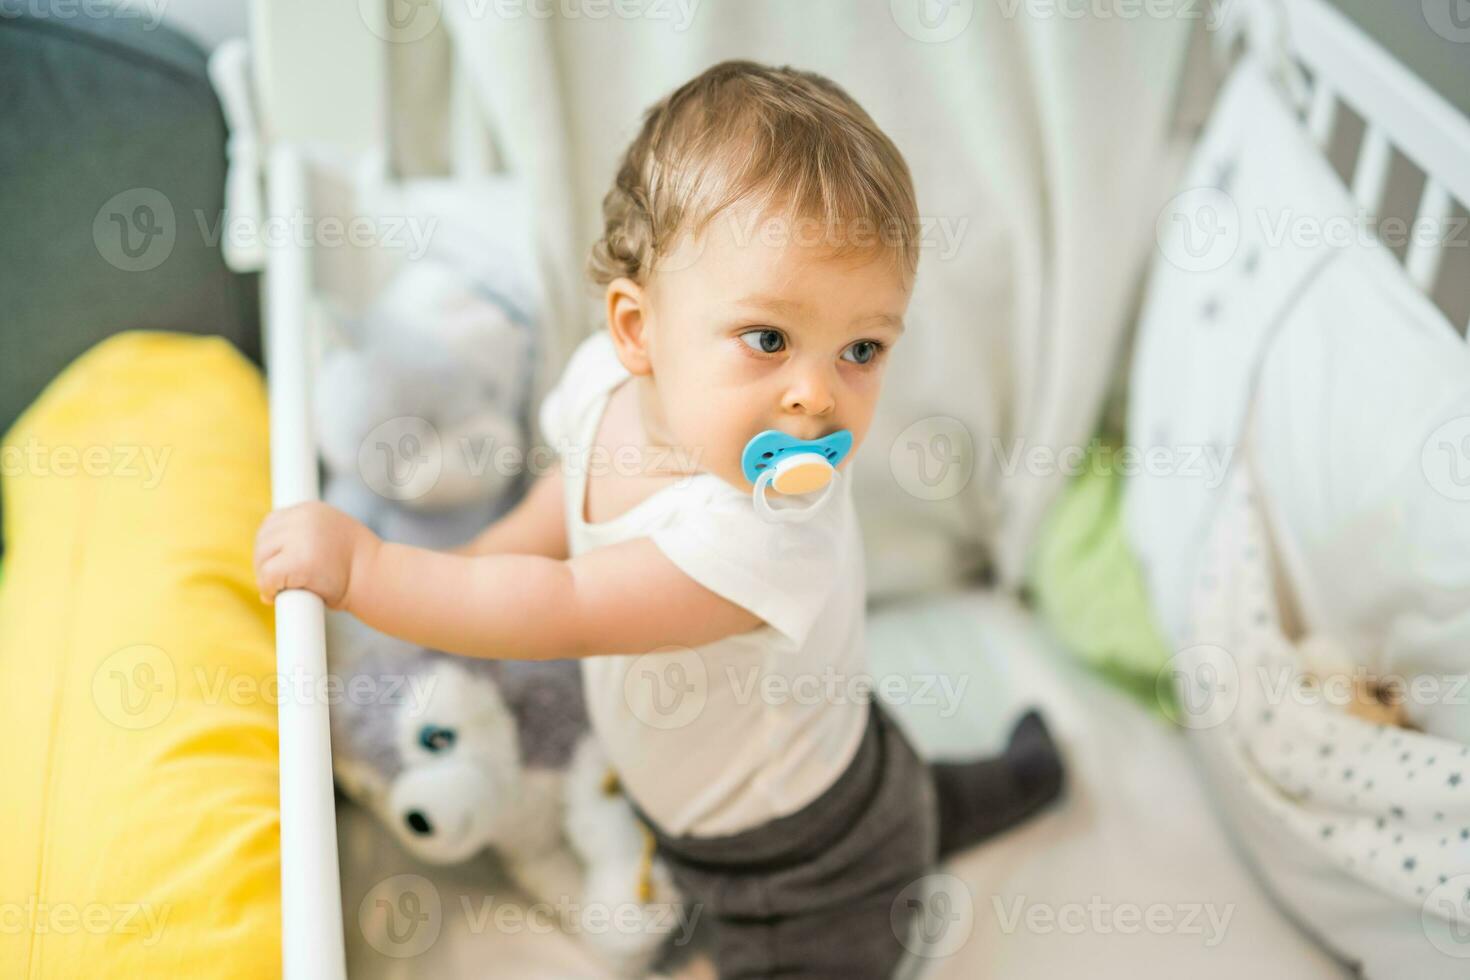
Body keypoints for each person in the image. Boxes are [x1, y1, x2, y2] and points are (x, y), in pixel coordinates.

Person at [255, 60, 1063, 979]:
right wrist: (481, 554)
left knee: (869, 882)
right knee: (905, 802)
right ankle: (967, 797)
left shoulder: (763, 538)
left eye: (862, 349)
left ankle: (983, 806)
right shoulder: (603, 382)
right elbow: (568, 497)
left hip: (804, 868)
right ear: (636, 332)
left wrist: (367, 571)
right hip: (772, 786)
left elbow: (558, 605)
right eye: (769, 339)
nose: (816, 395)